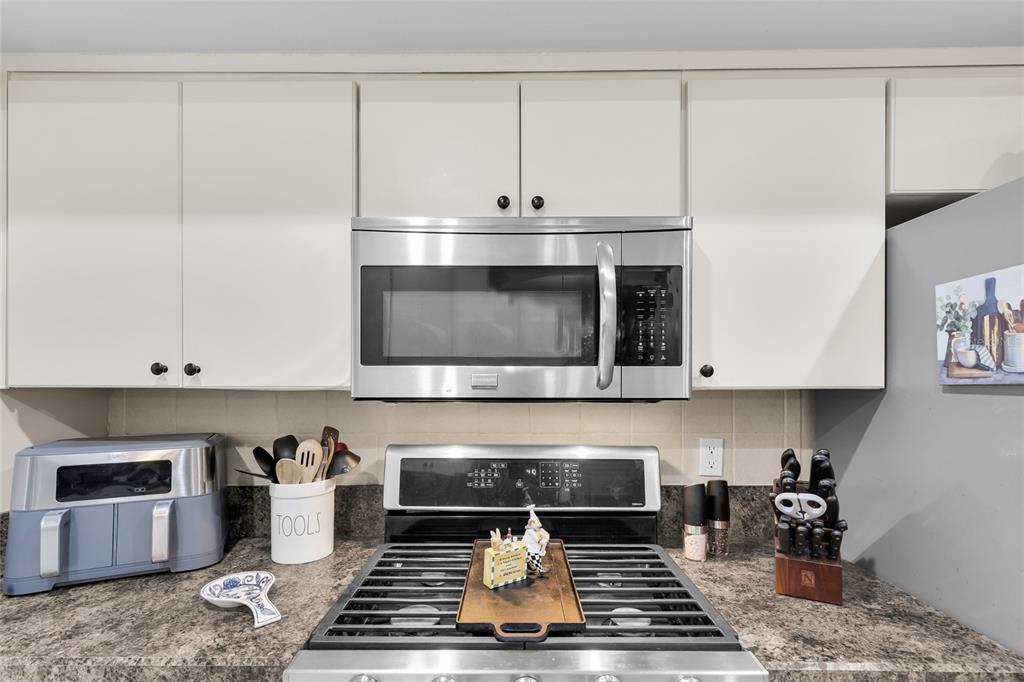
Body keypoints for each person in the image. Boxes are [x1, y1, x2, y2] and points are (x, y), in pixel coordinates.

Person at [523, 505, 550, 576]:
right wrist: (543, 541)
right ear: (532, 523)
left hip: (531, 548)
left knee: (531, 559)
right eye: (537, 521)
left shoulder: (535, 530)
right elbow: (538, 540)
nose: (539, 522)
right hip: (530, 549)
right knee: (536, 559)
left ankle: (530, 567)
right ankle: (541, 571)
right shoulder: (530, 531)